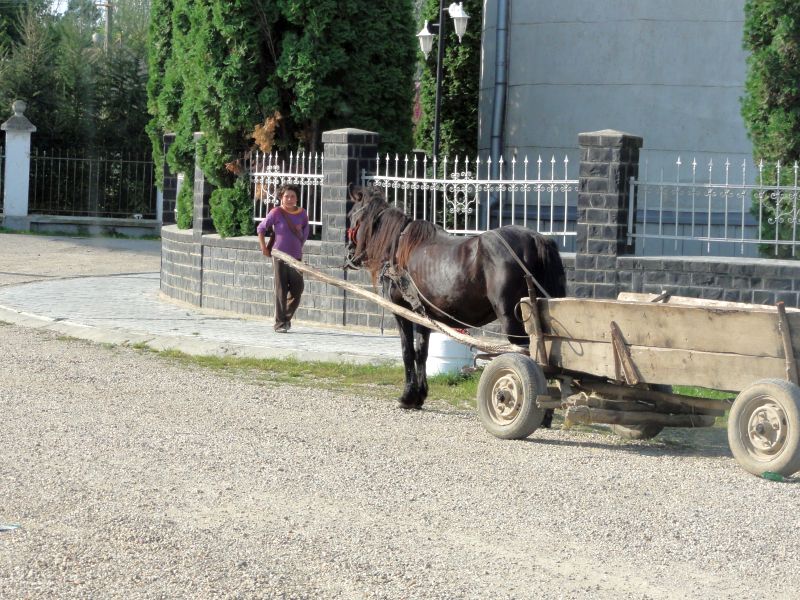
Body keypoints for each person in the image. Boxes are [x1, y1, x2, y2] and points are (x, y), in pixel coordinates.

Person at [257, 184, 310, 333]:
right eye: (286, 196)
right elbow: (261, 228)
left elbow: (305, 233)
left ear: (297, 198)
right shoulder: (276, 212)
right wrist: (264, 248)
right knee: (281, 290)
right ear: (281, 198)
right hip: (279, 257)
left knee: (297, 290)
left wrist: (298, 247)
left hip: (296, 258)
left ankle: (285, 317)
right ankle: (280, 324)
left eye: (292, 196)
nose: (290, 199)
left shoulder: (302, 214)